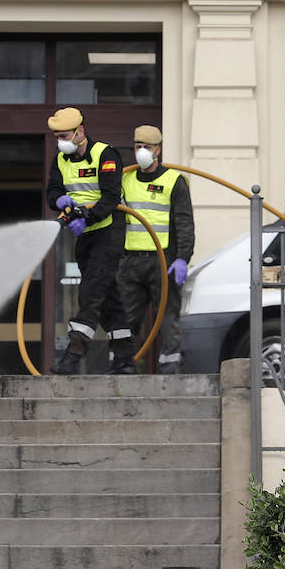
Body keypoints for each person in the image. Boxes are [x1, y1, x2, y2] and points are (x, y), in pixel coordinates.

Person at [45, 107, 134, 375]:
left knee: (91, 290)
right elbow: (53, 190)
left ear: (80, 131)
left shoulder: (105, 154)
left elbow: (110, 196)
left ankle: (74, 354)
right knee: (109, 298)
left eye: (64, 135)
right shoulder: (60, 160)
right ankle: (125, 359)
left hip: (108, 231)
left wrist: (89, 217)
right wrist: (59, 201)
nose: (60, 141)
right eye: (56, 136)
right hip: (85, 235)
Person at [118, 124, 195, 374]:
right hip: (130, 262)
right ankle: (123, 365)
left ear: (158, 150)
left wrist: (183, 258)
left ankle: (170, 369)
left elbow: (185, 223)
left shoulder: (174, 181)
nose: (141, 151)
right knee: (126, 318)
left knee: (167, 318)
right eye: (138, 146)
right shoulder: (125, 179)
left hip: (164, 261)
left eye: (147, 147)